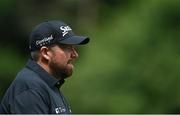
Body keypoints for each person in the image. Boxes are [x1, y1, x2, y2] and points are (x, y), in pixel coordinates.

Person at [0, 20, 90, 114]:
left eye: (74, 48)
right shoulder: (30, 89)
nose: (75, 54)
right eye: (68, 48)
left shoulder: (47, 86)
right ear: (46, 53)